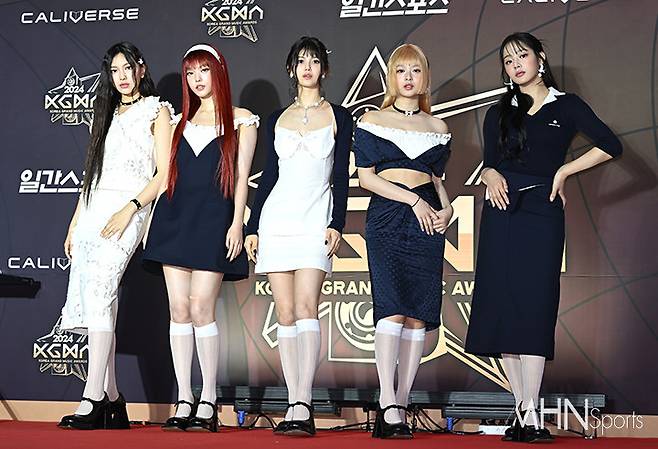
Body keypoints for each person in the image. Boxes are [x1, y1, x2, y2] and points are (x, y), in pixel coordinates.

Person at [464, 32, 623, 443]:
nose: (515, 64)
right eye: (508, 60)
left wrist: (565, 171)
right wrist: (489, 172)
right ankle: (524, 411)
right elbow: (490, 162)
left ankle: (531, 410)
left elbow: (610, 145)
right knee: (503, 307)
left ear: (541, 58)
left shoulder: (566, 105)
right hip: (500, 214)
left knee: (534, 306)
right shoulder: (499, 112)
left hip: (542, 213)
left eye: (522, 55)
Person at [143, 44, 258, 432]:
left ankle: (208, 397)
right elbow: (162, 176)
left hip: (213, 222)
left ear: (218, 73)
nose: (197, 79)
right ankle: (184, 398)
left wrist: (237, 223)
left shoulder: (242, 120)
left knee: (201, 308)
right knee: (179, 310)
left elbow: (241, 177)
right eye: (190, 73)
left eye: (203, 70)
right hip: (174, 220)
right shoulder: (178, 122)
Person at [58, 42, 173, 430]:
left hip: (130, 209)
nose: (122, 77)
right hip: (93, 211)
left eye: (128, 68)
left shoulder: (157, 111)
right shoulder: (105, 113)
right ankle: (112, 399)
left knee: (103, 287)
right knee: (95, 300)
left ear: (141, 68)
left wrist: (131, 208)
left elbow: (163, 175)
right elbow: (92, 173)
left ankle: (91, 397)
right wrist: (75, 222)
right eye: (115, 71)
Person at [244, 36, 351, 437]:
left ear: (324, 69)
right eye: (301, 61)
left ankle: (304, 403)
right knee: (285, 312)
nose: (308, 67)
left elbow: (341, 175)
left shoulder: (340, 116)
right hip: (276, 219)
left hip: (316, 217)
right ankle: (293, 401)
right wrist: (253, 227)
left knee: (308, 306)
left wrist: (337, 222)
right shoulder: (276, 118)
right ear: (292, 69)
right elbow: (268, 177)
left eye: (314, 61)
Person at [353, 43, 452, 439]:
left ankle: (402, 403)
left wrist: (447, 208)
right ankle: (387, 402)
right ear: (391, 77)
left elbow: (438, 181)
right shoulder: (373, 120)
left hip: (428, 220)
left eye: (415, 70)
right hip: (389, 216)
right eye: (400, 71)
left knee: (417, 314)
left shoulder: (438, 127)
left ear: (425, 77)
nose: (408, 78)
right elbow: (366, 178)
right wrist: (412, 199)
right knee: (392, 308)